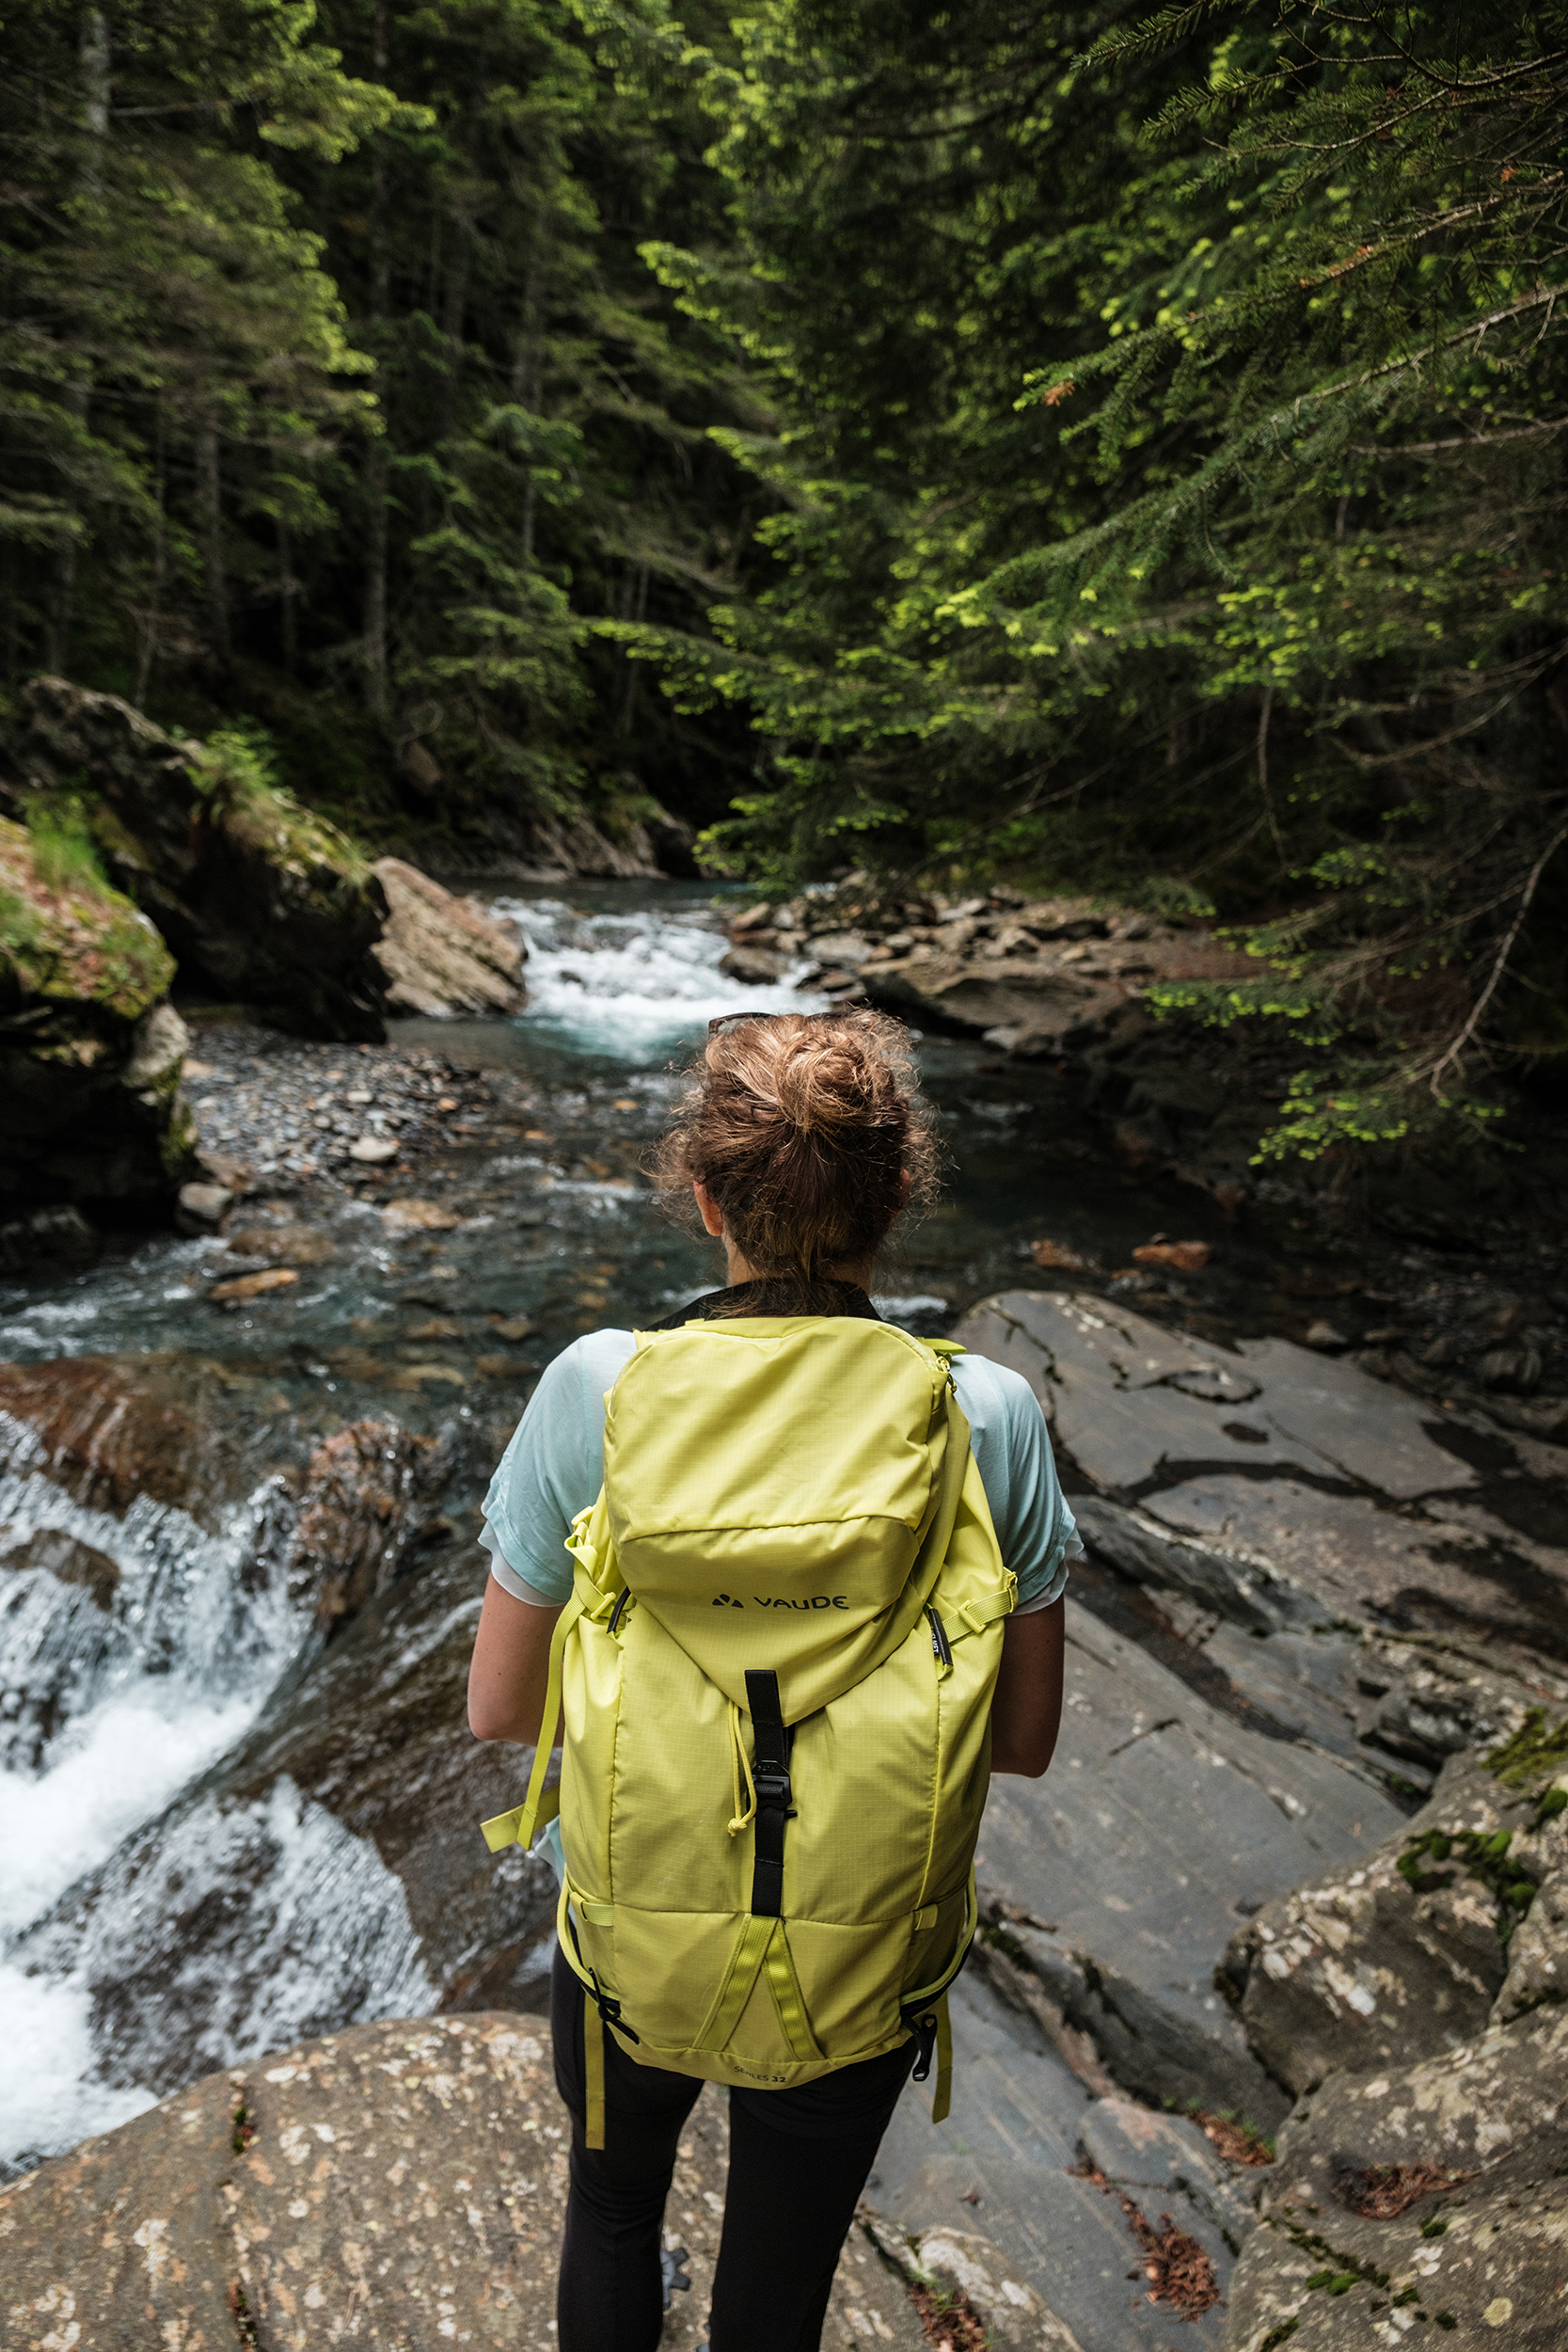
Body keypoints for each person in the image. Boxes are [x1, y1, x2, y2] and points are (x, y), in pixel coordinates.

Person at [467, 1008, 1075, 2352]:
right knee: (776, 2293)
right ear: (898, 1196)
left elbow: (503, 1709)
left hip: (629, 1932)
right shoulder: (988, 1414)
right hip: (863, 1943)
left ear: (702, 1198)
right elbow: (1021, 1741)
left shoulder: (599, 1389)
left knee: (615, 2219)